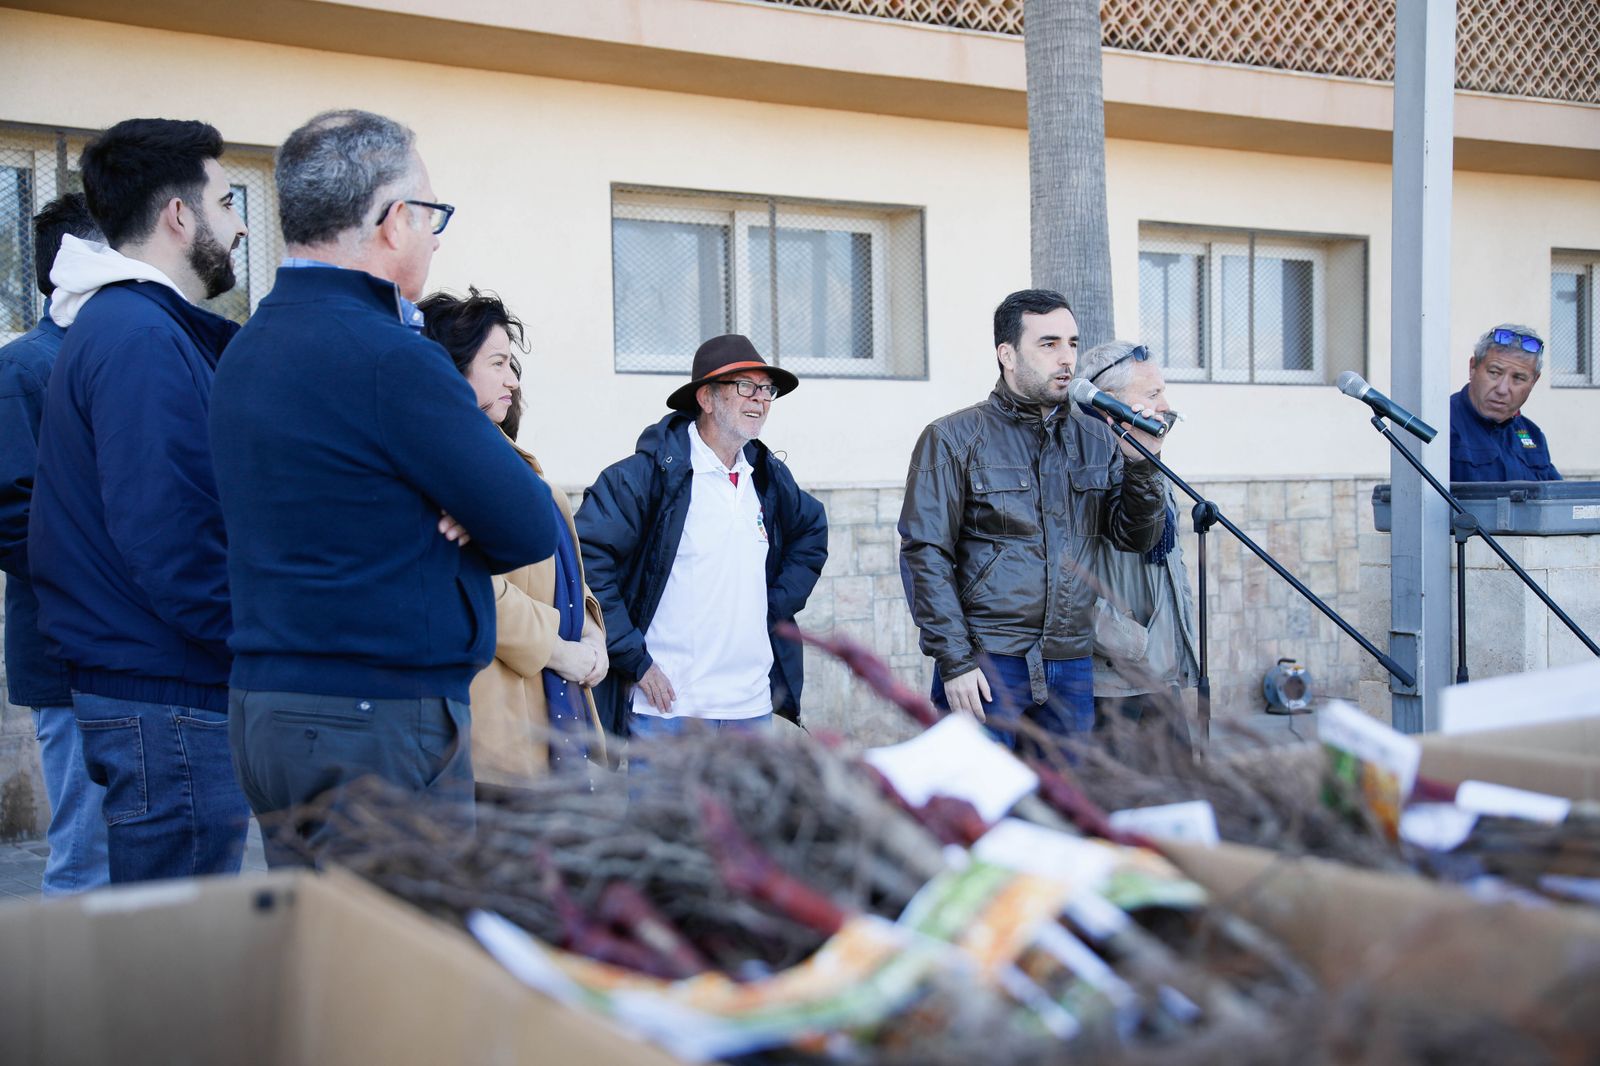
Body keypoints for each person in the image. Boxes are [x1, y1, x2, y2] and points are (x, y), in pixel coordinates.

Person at [210, 111, 558, 864]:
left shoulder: (246, 347)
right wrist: (464, 503)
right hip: (374, 722)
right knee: (399, 967)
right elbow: (531, 524)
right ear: (394, 220)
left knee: (320, 954)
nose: (436, 237)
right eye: (430, 214)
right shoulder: (390, 358)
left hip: (267, 712)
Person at [29, 119, 251, 883]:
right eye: (228, 201)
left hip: (159, 687)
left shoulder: (134, 326)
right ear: (179, 215)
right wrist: (251, 642)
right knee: (176, 965)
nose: (242, 222)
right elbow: (172, 537)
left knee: (166, 942)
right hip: (171, 695)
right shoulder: (138, 337)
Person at [899, 289, 1168, 749]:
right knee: (978, 807)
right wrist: (955, 661)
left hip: (1071, 661)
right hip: (989, 661)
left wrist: (1143, 462)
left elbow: (1136, 539)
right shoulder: (952, 438)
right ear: (1007, 354)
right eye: (1048, 344)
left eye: (1072, 343)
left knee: (1061, 812)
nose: (1066, 358)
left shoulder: (1097, 439)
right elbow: (926, 554)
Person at [576, 335, 828, 745]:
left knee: (749, 814)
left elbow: (811, 533)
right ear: (706, 398)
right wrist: (635, 660)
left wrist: (773, 605)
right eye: (745, 386)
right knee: (665, 815)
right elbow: (586, 558)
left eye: (767, 390)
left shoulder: (764, 476)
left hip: (751, 710)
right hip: (668, 712)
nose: (760, 399)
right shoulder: (644, 477)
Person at [418, 288, 609, 784]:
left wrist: (592, 631)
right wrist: (560, 650)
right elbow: (471, 585)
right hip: (501, 733)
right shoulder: (443, 461)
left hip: (559, 711)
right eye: (498, 363)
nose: (513, 380)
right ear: (453, 368)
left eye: (512, 365)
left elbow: (562, 570)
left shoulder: (507, 454)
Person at [0, 194, 110, 894]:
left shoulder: (122, 357)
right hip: (68, 655)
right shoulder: (27, 368)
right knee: (87, 859)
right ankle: (65, 1005)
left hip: (132, 653)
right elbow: (12, 517)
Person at [1073, 341, 1197, 752]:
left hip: (1158, 673)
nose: (1165, 404)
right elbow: (1129, 537)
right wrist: (1126, 641)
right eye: (1152, 394)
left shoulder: (1145, 457)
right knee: (1120, 805)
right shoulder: (1088, 460)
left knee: (1176, 801)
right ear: (1109, 405)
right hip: (1114, 677)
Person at [1450, 323, 1561, 482]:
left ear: (1534, 382)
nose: (1502, 389)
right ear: (1473, 367)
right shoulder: (1442, 425)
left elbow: (1559, 499)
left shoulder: (1533, 435)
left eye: (1518, 378)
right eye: (1494, 373)